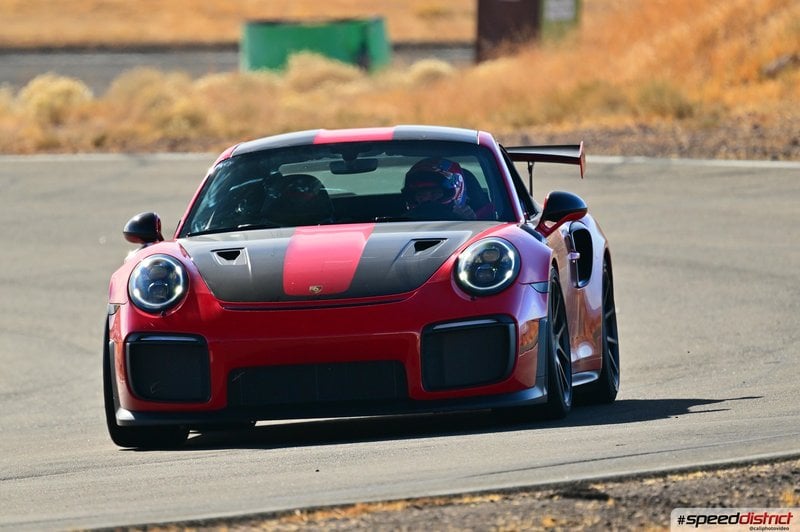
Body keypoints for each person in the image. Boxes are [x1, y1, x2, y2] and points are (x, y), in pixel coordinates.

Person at [401, 158, 477, 220]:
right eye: (421, 194)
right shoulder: (397, 224)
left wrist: (468, 221)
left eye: (435, 193)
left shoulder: (483, 222)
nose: (427, 199)